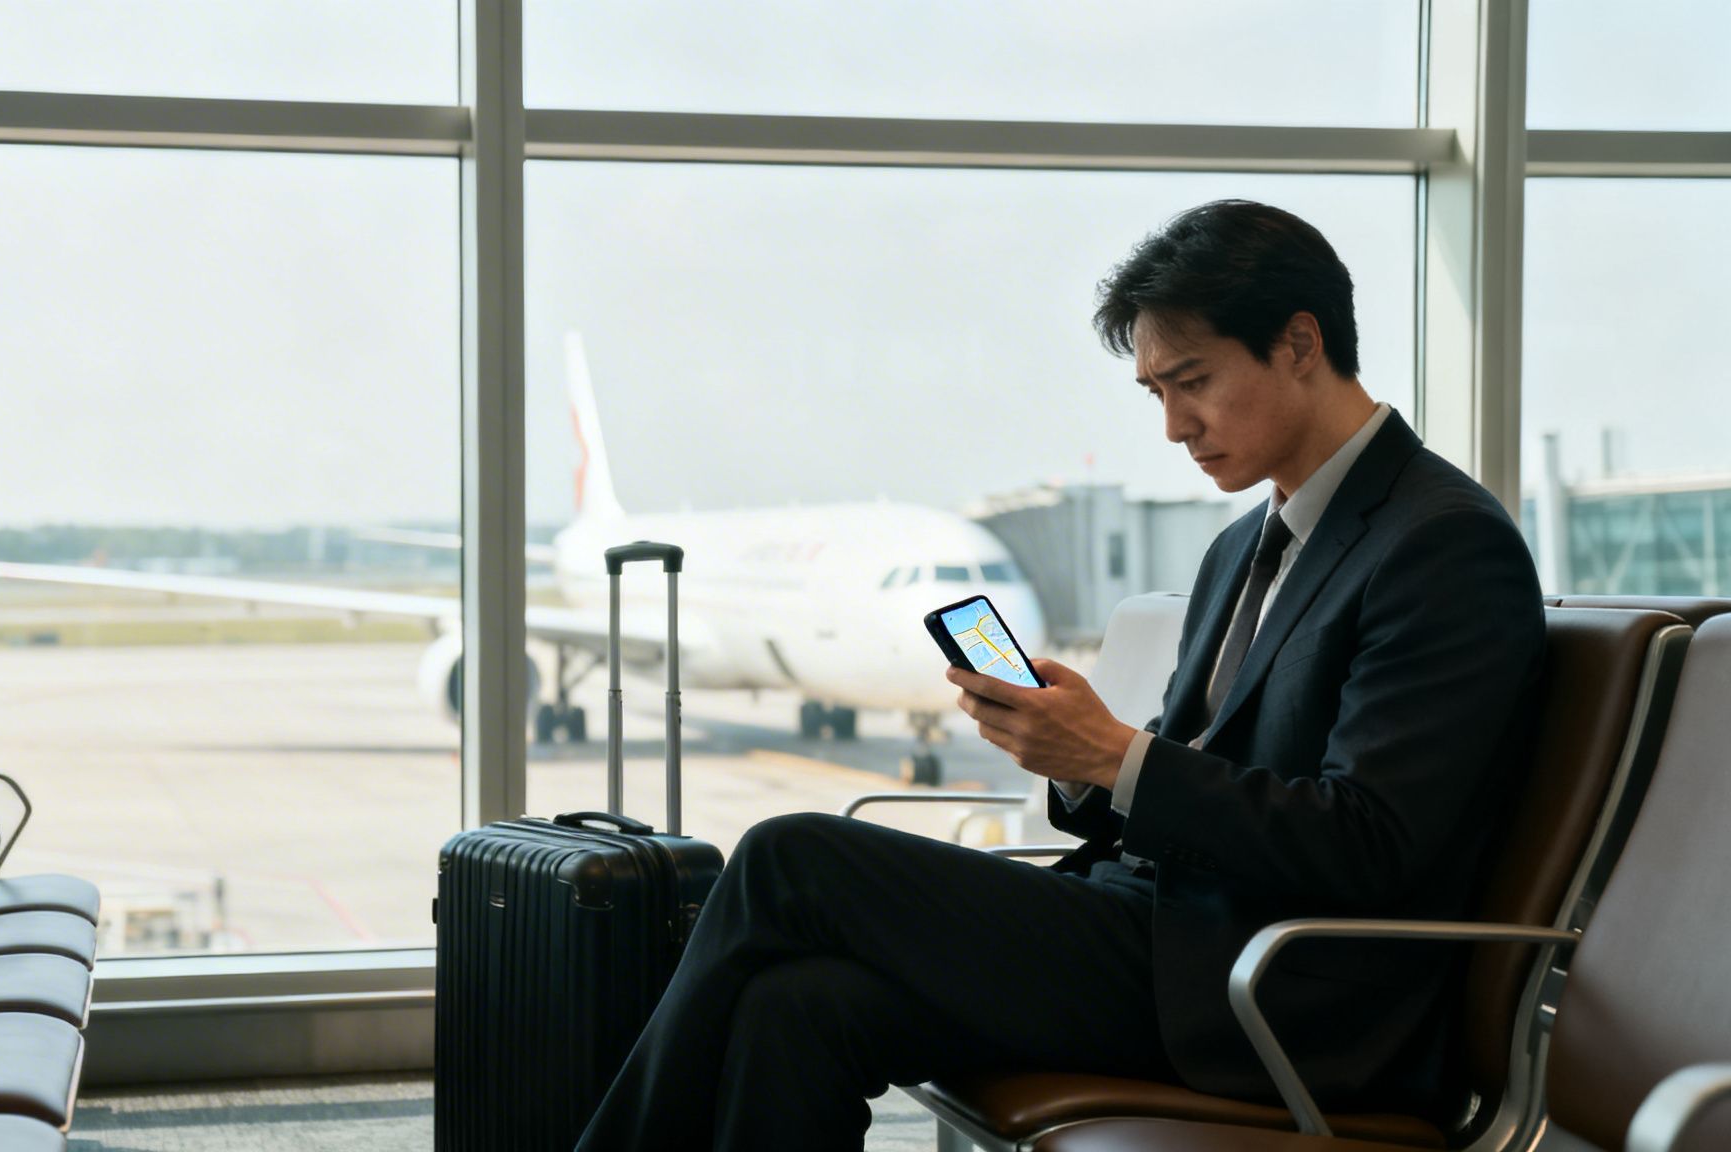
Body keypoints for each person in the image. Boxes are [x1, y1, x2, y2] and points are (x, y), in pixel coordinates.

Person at [573, 199, 1546, 1152]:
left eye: (1191, 381)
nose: (1172, 425)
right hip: (1161, 932)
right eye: (1154, 392)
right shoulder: (1242, 544)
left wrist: (1121, 760)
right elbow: (1193, 775)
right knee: (797, 1008)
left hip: (1276, 992)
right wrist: (1083, 766)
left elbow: (1370, 845)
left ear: (1299, 343)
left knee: (790, 858)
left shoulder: (1441, 545)